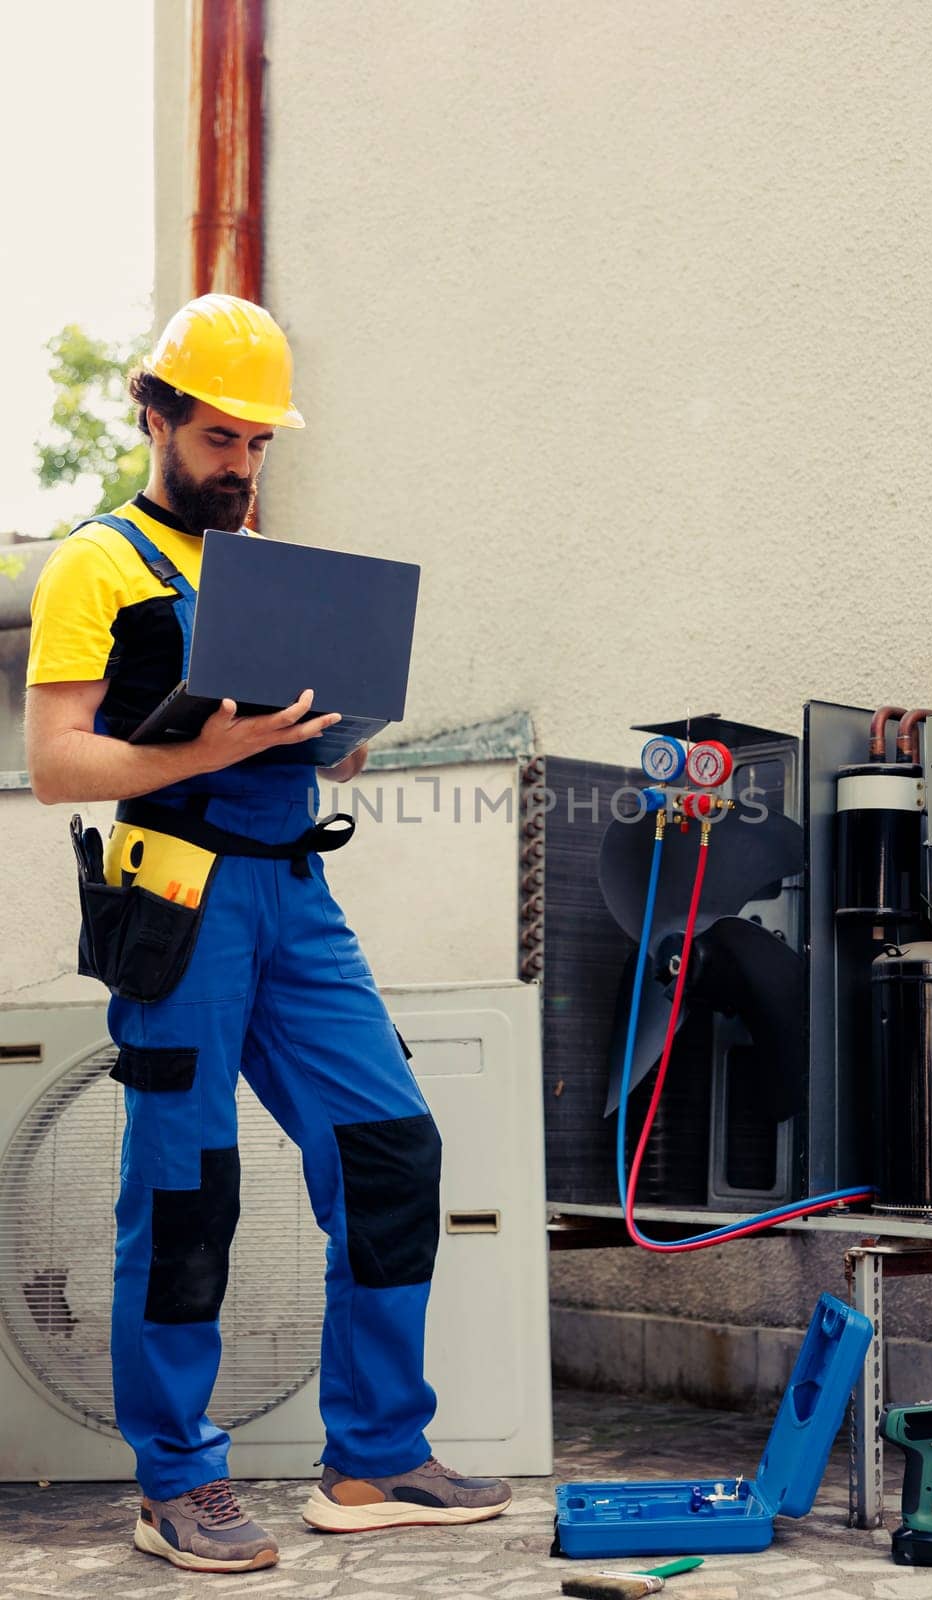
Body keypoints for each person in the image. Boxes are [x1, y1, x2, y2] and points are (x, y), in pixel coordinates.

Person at [24, 294, 511, 1575]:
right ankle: (175, 1479)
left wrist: (334, 735)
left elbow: (312, 741)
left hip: (296, 894)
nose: (239, 465)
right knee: (188, 1191)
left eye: (258, 444)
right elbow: (59, 762)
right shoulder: (96, 564)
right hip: (177, 900)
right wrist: (210, 743)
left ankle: (375, 1456)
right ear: (157, 415)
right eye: (220, 437)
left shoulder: (266, 571)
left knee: (392, 1148)